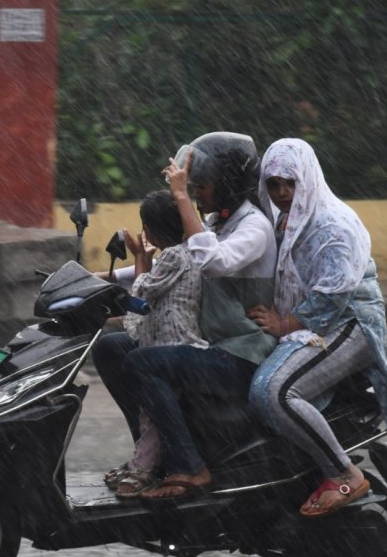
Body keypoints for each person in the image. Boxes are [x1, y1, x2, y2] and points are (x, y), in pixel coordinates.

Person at [94, 131, 277, 500]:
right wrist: (96, 280)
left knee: (143, 363)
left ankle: (189, 467)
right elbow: (174, 261)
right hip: (210, 344)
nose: (196, 194)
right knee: (112, 349)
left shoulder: (253, 227)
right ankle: (149, 456)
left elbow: (211, 260)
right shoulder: (215, 223)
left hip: (241, 352)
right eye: (192, 187)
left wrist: (178, 198)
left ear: (227, 184)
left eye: (203, 186)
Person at [246, 138, 387, 518]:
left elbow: (333, 298)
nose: (281, 193)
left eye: (289, 184)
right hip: (314, 320)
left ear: (307, 180)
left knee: (273, 391)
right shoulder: (282, 218)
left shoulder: (332, 224)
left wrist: (283, 323)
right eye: (273, 184)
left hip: (349, 322)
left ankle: (343, 473)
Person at [110, 189, 208, 497]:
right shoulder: (185, 253)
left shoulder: (176, 256)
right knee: (147, 412)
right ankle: (143, 464)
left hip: (174, 345)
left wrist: (141, 256)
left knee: (150, 415)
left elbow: (143, 290)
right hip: (166, 341)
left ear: (149, 229)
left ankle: (143, 470)